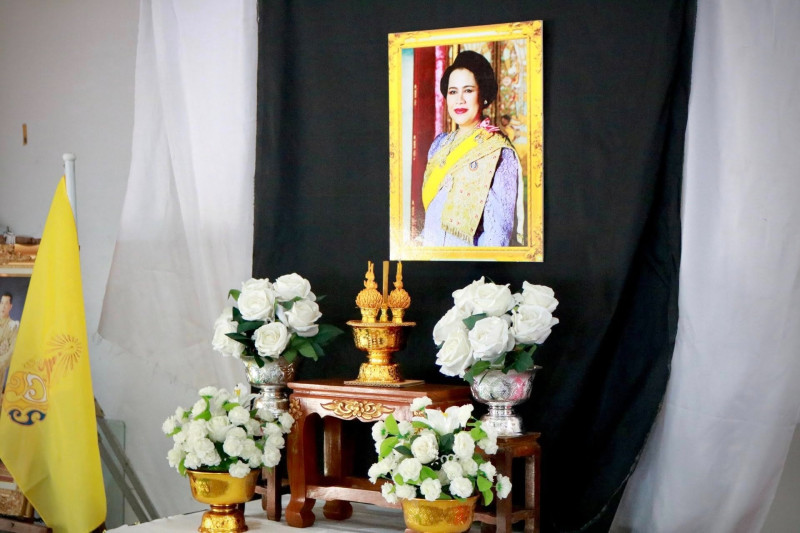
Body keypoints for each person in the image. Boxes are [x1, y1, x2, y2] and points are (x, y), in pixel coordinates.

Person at [421, 50, 524, 247]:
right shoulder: (439, 145)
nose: (459, 100)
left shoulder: (498, 151)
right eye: (453, 92)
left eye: (468, 90)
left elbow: (497, 237)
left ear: (483, 95)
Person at [0, 292, 19, 387]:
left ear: (10, 306)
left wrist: (1, 362)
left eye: (6, 303)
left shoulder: (13, 326)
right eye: (2, 303)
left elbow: (12, 350)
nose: (3, 306)